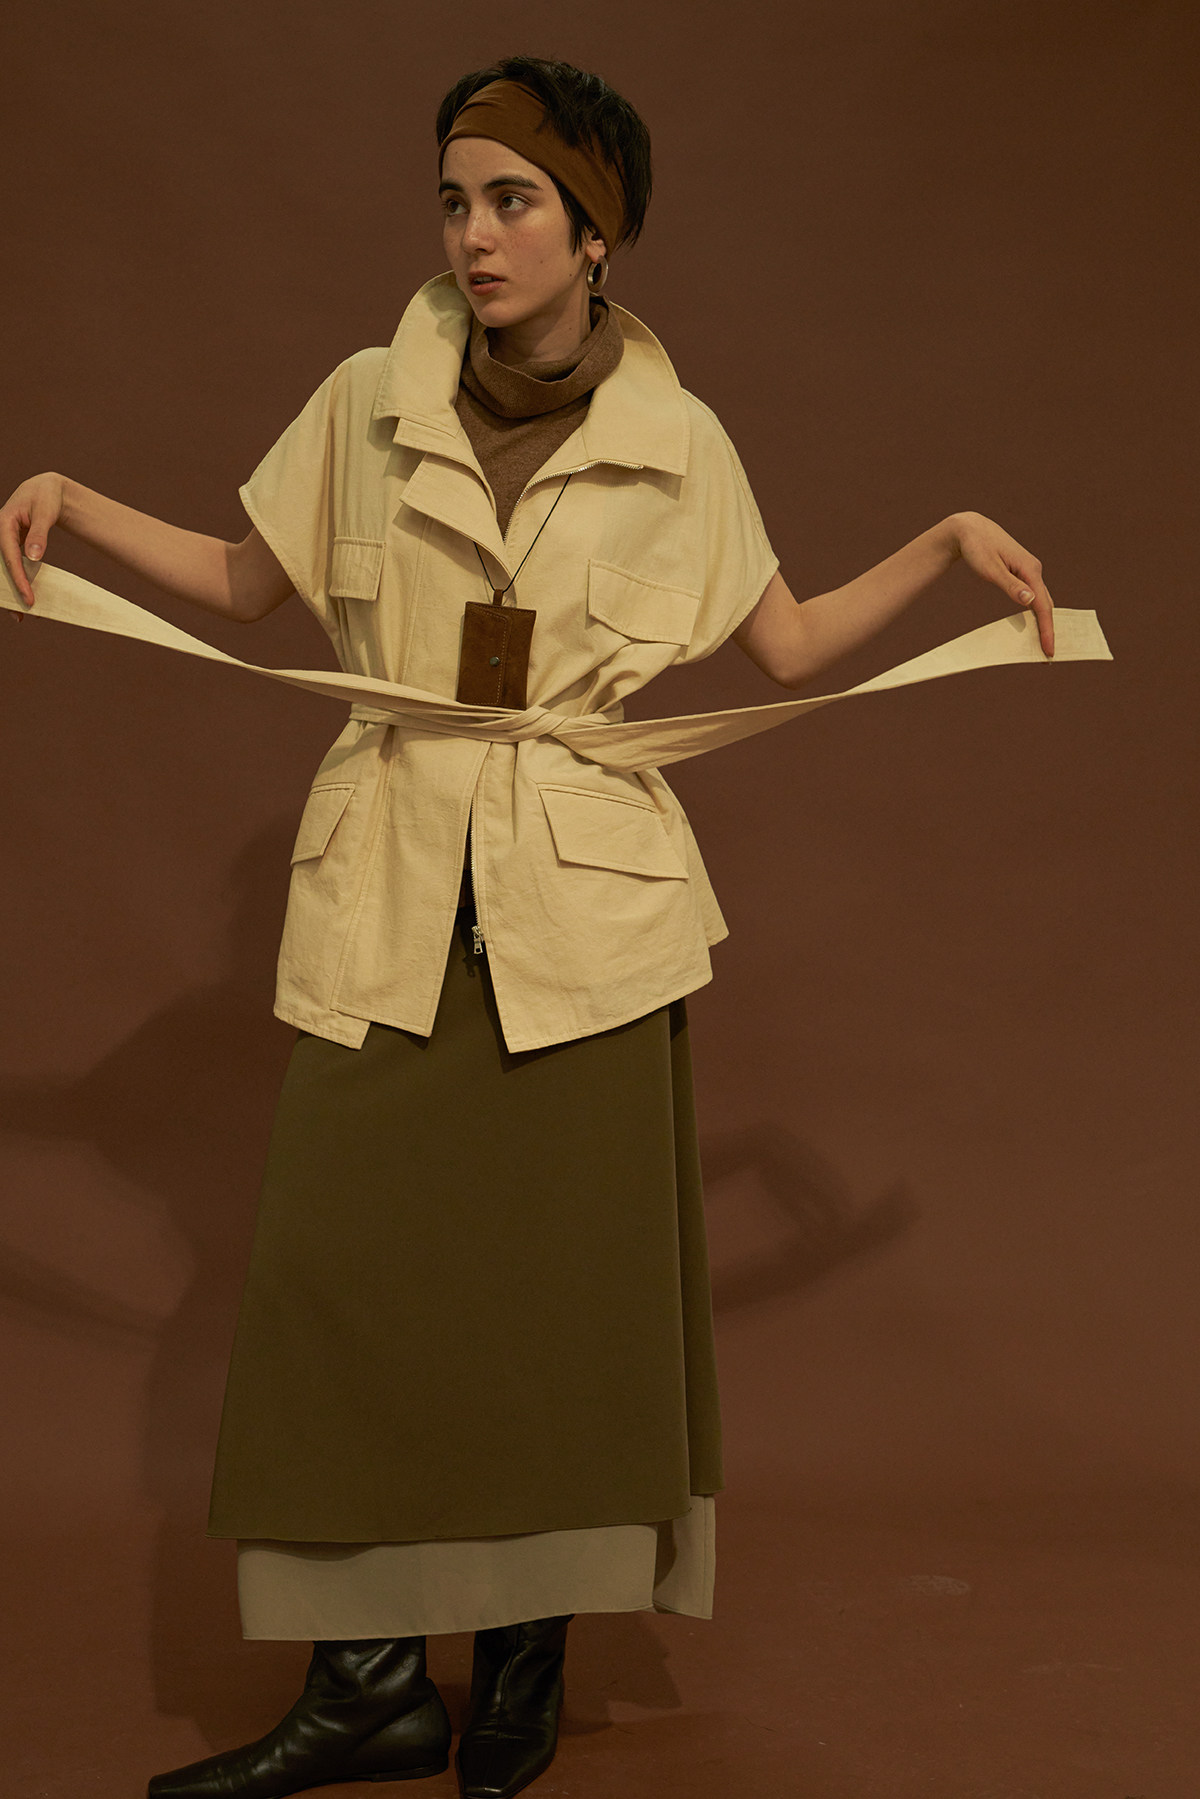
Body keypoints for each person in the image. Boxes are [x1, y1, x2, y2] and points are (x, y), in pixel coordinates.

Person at [1, 54, 1060, 1799]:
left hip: (587, 922)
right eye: (453, 199)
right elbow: (245, 583)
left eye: (511, 201)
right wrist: (73, 501)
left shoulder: (681, 442)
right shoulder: (367, 398)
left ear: (596, 231)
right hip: (392, 890)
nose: (473, 236)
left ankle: (519, 1671)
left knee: (560, 1314)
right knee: (340, 1293)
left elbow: (788, 645)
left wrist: (950, 544)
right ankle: (364, 1690)